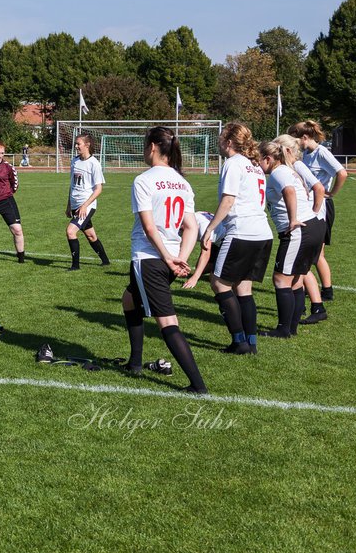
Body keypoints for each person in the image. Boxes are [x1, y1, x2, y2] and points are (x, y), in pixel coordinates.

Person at [120, 126, 207, 394]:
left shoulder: (144, 180)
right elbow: (191, 227)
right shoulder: (182, 182)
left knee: (168, 322)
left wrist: (169, 258)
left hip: (150, 258)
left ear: (154, 147)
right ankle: (134, 363)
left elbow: (149, 228)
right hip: (168, 259)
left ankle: (198, 385)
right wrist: (181, 257)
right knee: (129, 298)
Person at [204, 123, 273, 355]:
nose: (219, 142)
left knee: (218, 282)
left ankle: (238, 341)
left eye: (222, 138)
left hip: (242, 231)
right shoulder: (255, 165)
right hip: (262, 232)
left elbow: (228, 201)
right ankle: (251, 342)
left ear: (229, 142)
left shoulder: (233, 163)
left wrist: (210, 228)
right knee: (244, 287)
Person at [257, 138, 326, 338]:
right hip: (311, 227)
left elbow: (289, 192)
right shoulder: (289, 170)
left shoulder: (279, 173)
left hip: (299, 230)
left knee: (280, 279)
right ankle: (291, 328)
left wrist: (293, 219)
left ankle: (283, 329)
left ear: (268, 159)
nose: (257, 164)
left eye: (259, 160)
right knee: (296, 280)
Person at [289, 120, 348, 301]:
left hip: (322, 206)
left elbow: (342, 173)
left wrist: (332, 193)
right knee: (312, 252)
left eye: (296, 139)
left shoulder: (322, 152)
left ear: (305, 137)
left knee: (316, 254)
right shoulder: (307, 154)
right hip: (311, 205)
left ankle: (327, 291)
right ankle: (312, 288)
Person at [64, 132, 111, 270]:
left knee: (71, 231)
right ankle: (105, 261)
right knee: (91, 235)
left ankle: (75, 266)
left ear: (87, 145)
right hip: (75, 204)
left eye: (79, 143)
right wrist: (68, 205)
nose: (76, 146)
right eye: (76, 143)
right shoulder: (75, 161)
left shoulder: (94, 164)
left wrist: (85, 205)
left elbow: (98, 189)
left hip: (87, 206)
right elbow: (72, 185)